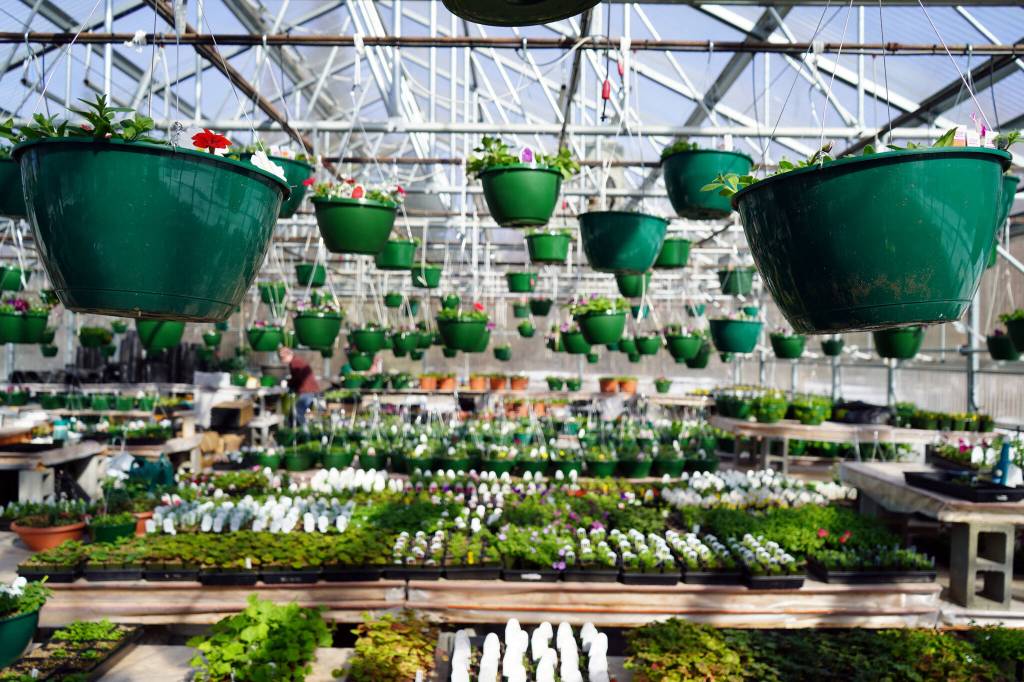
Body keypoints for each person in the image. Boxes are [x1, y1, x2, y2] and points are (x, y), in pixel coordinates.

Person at [277, 346, 319, 426]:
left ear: (287, 356)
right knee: (300, 411)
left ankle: (305, 433)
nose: (283, 361)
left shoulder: (295, 362)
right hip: (309, 389)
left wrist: (288, 383)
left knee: (299, 411)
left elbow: (297, 378)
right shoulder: (296, 361)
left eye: (282, 358)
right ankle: (303, 430)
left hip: (307, 390)